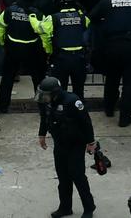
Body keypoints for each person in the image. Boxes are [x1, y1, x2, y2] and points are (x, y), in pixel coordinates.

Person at [37, 77, 96, 218]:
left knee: (78, 176)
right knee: (63, 177)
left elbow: (86, 122)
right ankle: (65, 207)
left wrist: (91, 143)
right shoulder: (47, 103)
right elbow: (44, 118)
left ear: (55, 93)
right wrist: (42, 134)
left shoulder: (73, 101)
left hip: (75, 145)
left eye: (46, 94)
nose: (43, 97)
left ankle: (89, 207)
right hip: (60, 144)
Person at [90, 0, 131, 127]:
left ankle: (109, 109)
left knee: (112, 78)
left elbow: (92, 18)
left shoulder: (106, 2)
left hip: (111, 45)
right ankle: (125, 117)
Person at [30, 0, 90, 100]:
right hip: (80, 58)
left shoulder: (53, 18)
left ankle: (61, 113)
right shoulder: (82, 17)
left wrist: (32, 17)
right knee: (79, 90)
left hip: (61, 58)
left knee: (60, 91)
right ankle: (78, 111)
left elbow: (40, 29)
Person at [0, 0, 46, 113]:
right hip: (33, 49)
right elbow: (45, 32)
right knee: (38, 79)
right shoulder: (38, 13)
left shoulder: (9, 10)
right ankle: (43, 107)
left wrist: (3, 43)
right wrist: (47, 50)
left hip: (13, 48)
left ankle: (2, 106)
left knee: (7, 78)